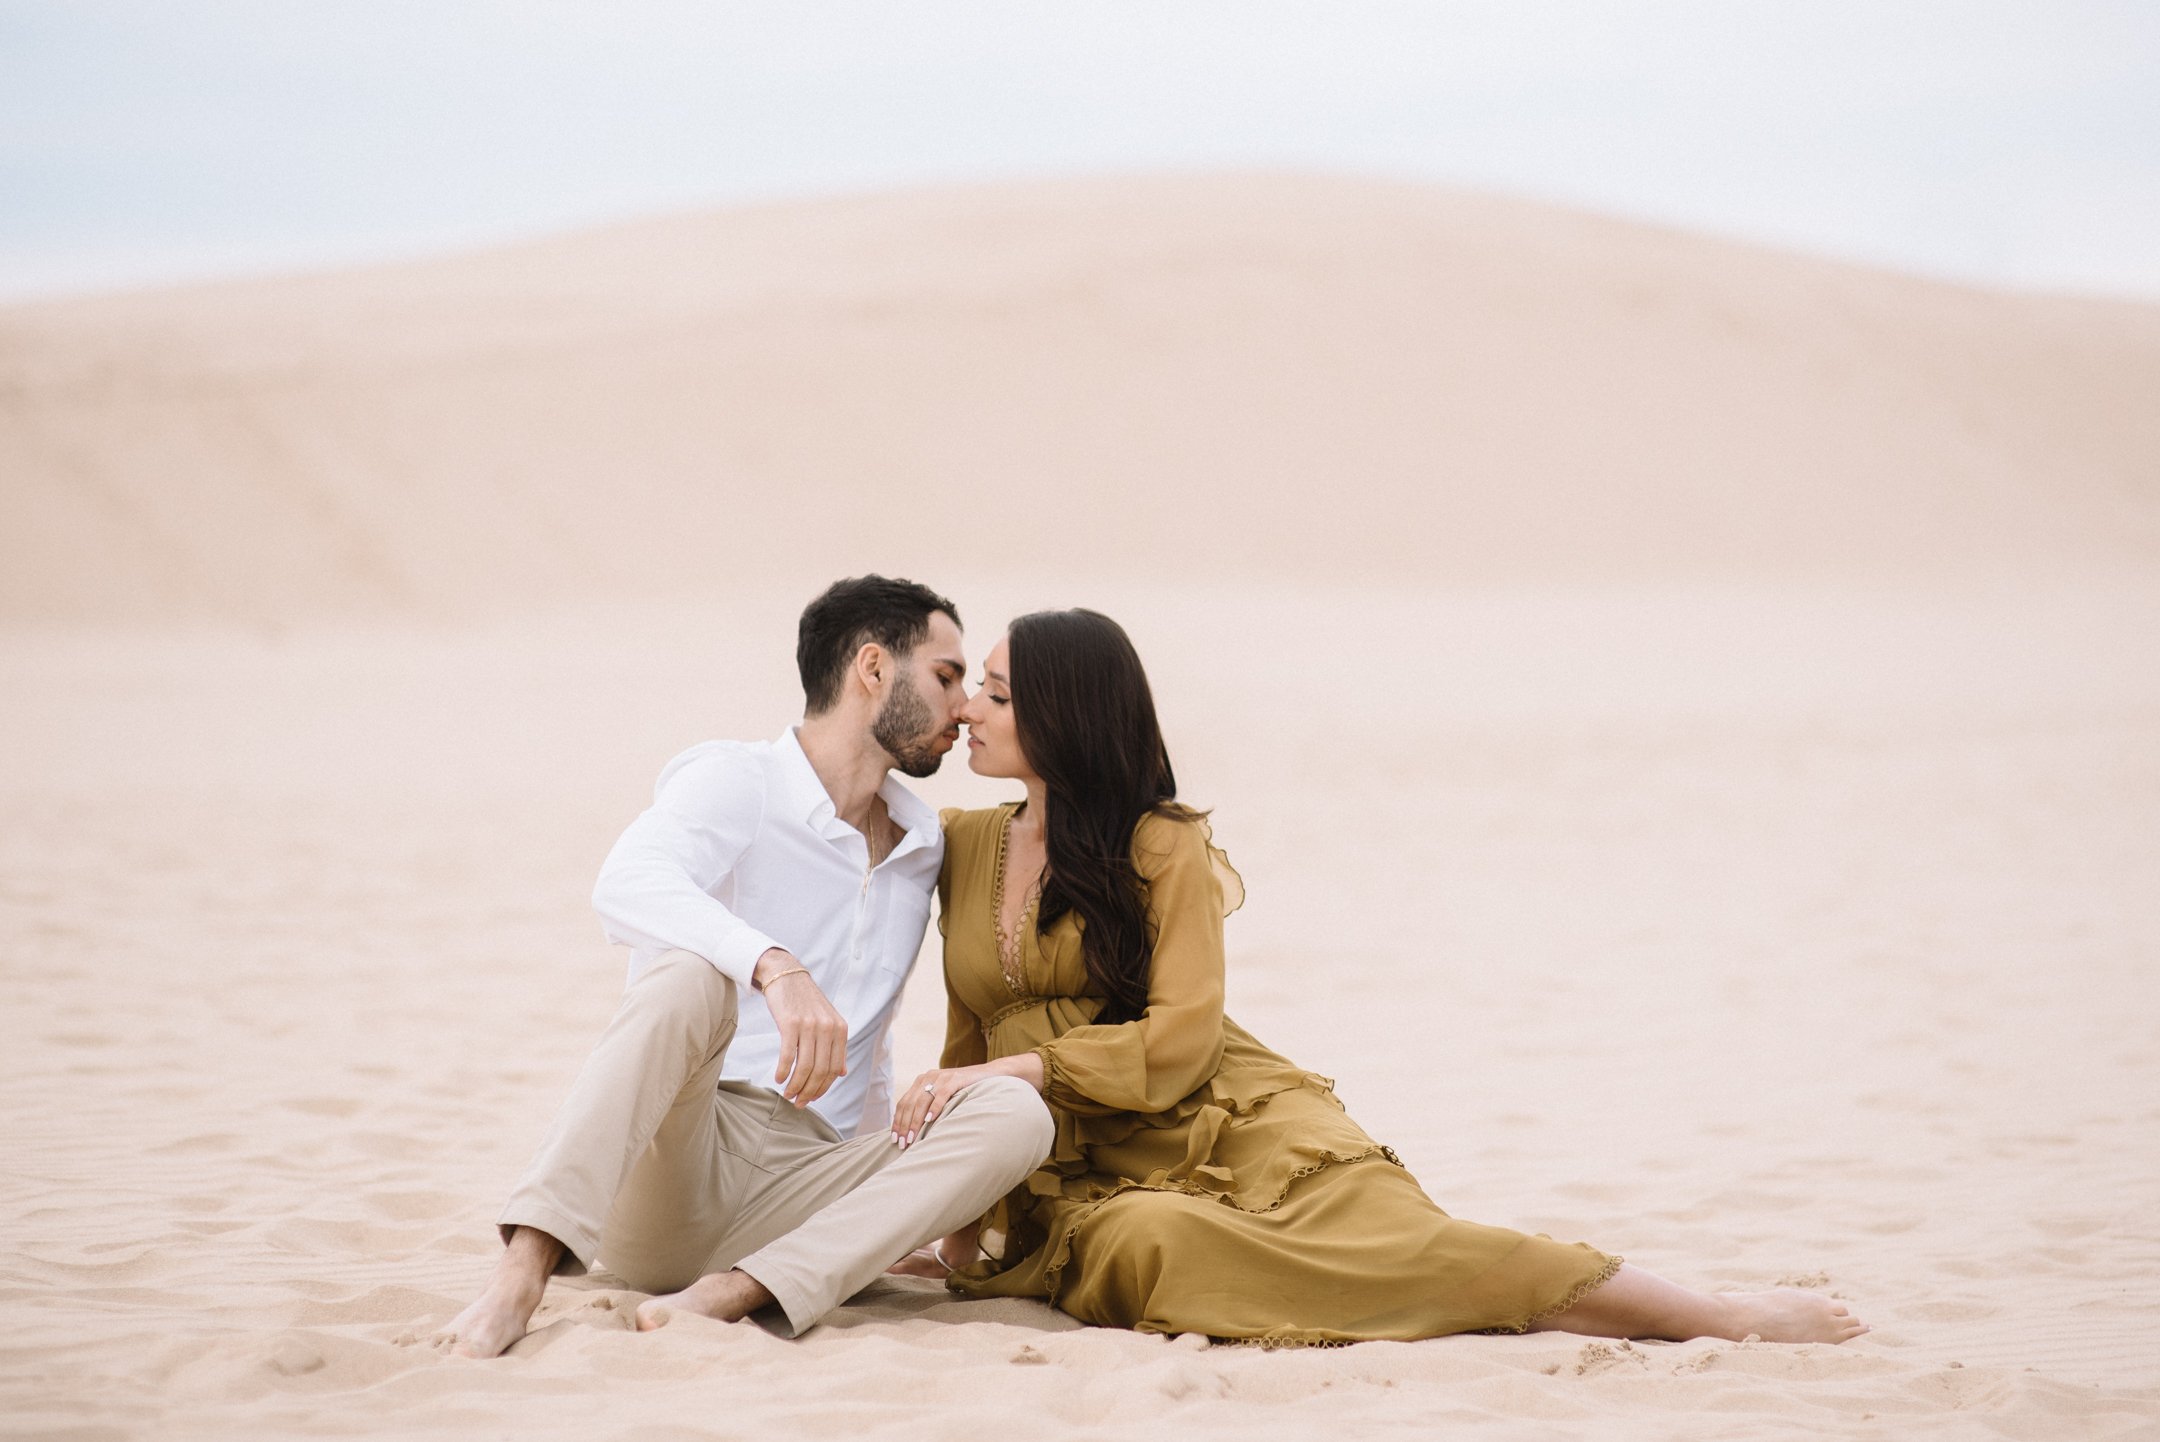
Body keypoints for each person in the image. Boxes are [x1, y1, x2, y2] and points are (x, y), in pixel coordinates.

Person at [888, 608, 1869, 1347]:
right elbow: (965, 1045)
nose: (969, 707)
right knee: (1149, 1241)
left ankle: (1714, 1313)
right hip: (1081, 1170)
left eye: (1000, 693)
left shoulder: (1162, 845)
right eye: (977, 684)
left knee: (1407, 1241)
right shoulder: (966, 844)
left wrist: (1021, 1075)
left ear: (1067, 715)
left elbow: (1184, 1034)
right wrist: (968, 1237)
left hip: (1217, 1112)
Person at [434, 576, 1054, 1358]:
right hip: (682, 1157)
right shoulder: (738, 780)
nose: (964, 706)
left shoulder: (922, 843)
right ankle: (518, 1277)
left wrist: (888, 1208)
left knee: (1018, 1112)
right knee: (690, 974)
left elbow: (871, 1041)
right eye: (945, 676)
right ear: (872, 668)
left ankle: (744, 1288)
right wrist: (772, 965)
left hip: (805, 1189)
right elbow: (626, 882)